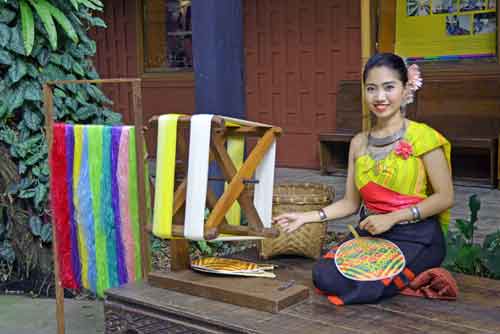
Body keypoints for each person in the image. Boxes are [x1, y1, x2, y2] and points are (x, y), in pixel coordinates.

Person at [273, 53, 454, 305]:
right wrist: (307, 217)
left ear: (405, 89)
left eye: (389, 87)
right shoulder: (359, 142)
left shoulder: (424, 138)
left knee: (362, 285)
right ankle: (409, 278)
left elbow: (445, 197)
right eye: (372, 89)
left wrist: (392, 218)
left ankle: (415, 272)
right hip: (373, 231)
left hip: (416, 233)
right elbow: (350, 203)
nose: (380, 97)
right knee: (325, 275)